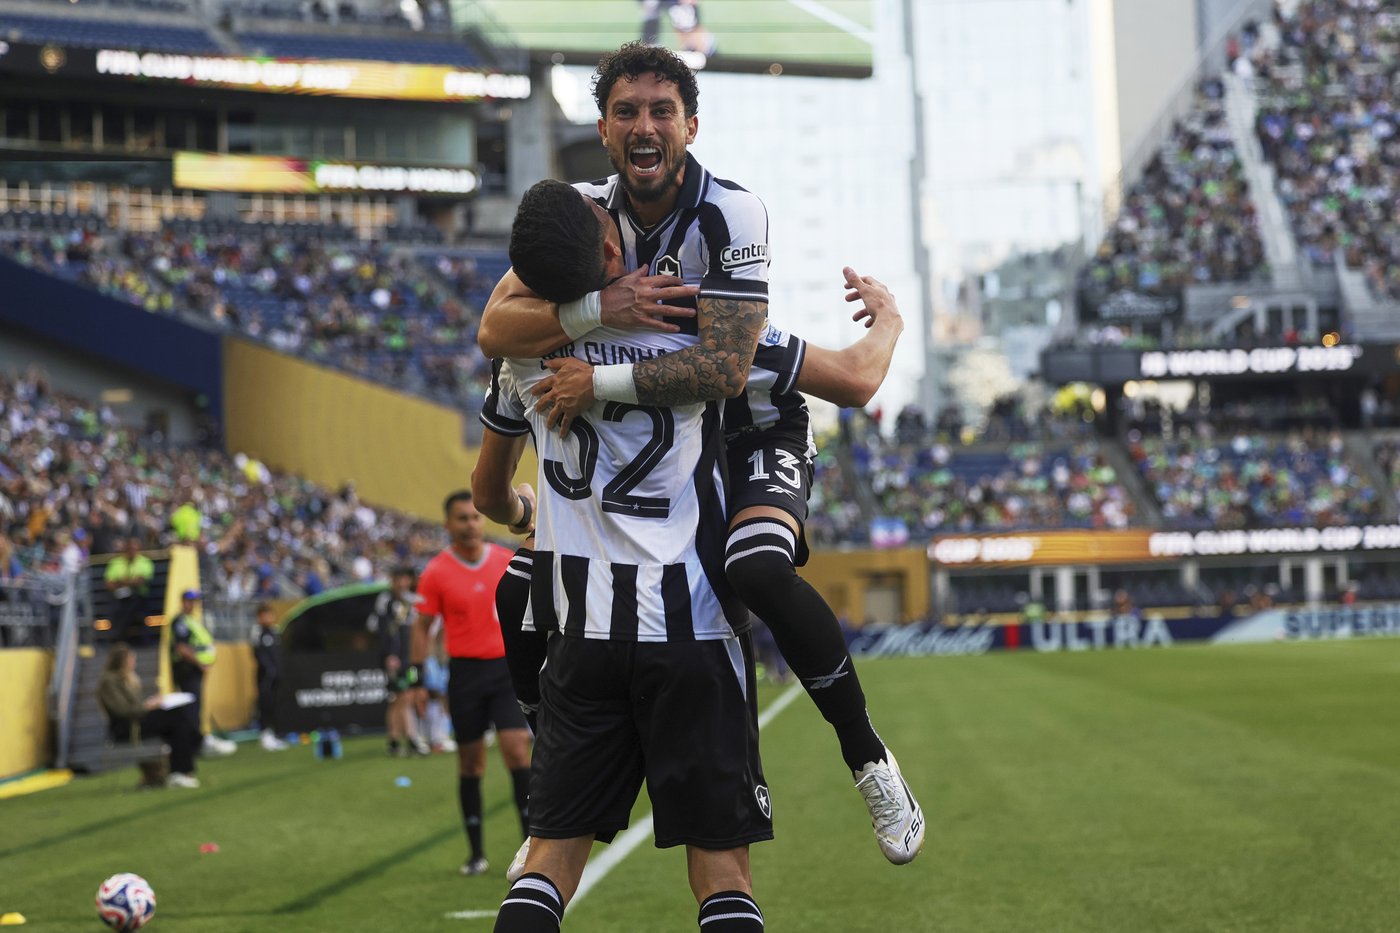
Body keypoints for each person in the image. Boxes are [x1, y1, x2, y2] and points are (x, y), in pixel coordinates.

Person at [477, 43, 921, 866]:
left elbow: (727, 369)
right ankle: (559, 798)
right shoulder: (581, 218)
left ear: (690, 125)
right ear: (604, 131)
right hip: (673, 427)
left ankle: (867, 756)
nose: (644, 126)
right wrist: (593, 309)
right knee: (525, 584)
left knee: (752, 568)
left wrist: (887, 321)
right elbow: (493, 329)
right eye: (626, 112)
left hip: (746, 418)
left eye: (661, 111)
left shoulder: (731, 214)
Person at [408, 491, 531, 877]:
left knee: (516, 751)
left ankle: (532, 849)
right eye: (462, 518)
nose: (470, 524)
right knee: (471, 762)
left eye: (475, 517)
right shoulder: (436, 572)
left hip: (506, 670)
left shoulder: (503, 558)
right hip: (465, 674)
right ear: (448, 525)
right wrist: (415, 679)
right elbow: (422, 627)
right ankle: (476, 853)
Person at [97, 642, 201, 789]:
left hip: (135, 721)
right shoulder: (109, 681)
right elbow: (121, 710)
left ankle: (180, 770)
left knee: (178, 719)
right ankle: (183, 767)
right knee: (177, 719)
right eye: (131, 659)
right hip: (127, 727)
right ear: (122, 661)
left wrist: (151, 704)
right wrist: (148, 706)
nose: (134, 663)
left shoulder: (129, 678)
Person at [169, 589, 236, 757]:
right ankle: (194, 744)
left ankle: (196, 743)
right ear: (183, 601)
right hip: (187, 671)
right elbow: (182, 648)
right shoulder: (181, 622)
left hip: (195, 671)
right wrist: (200, 663)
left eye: (195, 601)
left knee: (196, 707)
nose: (192, 604)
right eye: (190, 601)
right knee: (191, 708)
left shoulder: (192, 621)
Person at [369, 566, 427, 757]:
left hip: (408, 658)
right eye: (399, 579)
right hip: (393, 658)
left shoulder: (411, 600)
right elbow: (383, 630)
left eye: (406, 579)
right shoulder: (386, 600)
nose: (403, 583)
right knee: (402, 697)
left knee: (399, 699)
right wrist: (390, 655)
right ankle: (411, 740)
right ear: (393, 580)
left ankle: (393, 742)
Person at [251, 602, 288, 751]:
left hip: (277, 676)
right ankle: (265, 734)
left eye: (269, 614)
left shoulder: (275, 632)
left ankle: (276, 733)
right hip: (265, 677)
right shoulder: (258, 633)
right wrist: (269, 670)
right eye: (264, 615)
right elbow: (258, 655)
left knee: (276, 703)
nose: (267, 618)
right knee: (265, 704)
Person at [104, 536, 154, 643]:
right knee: (119, 607)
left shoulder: (145, 562)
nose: (132, 552)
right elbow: (109, 583)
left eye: (134, 549)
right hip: (119, 597)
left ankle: (119, 637)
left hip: (139, 596)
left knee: (131, 605)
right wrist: (129, 582)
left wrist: (121, 582)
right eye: (129, 549)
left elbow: (141, 581)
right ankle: (120, 636)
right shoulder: (116, 562)